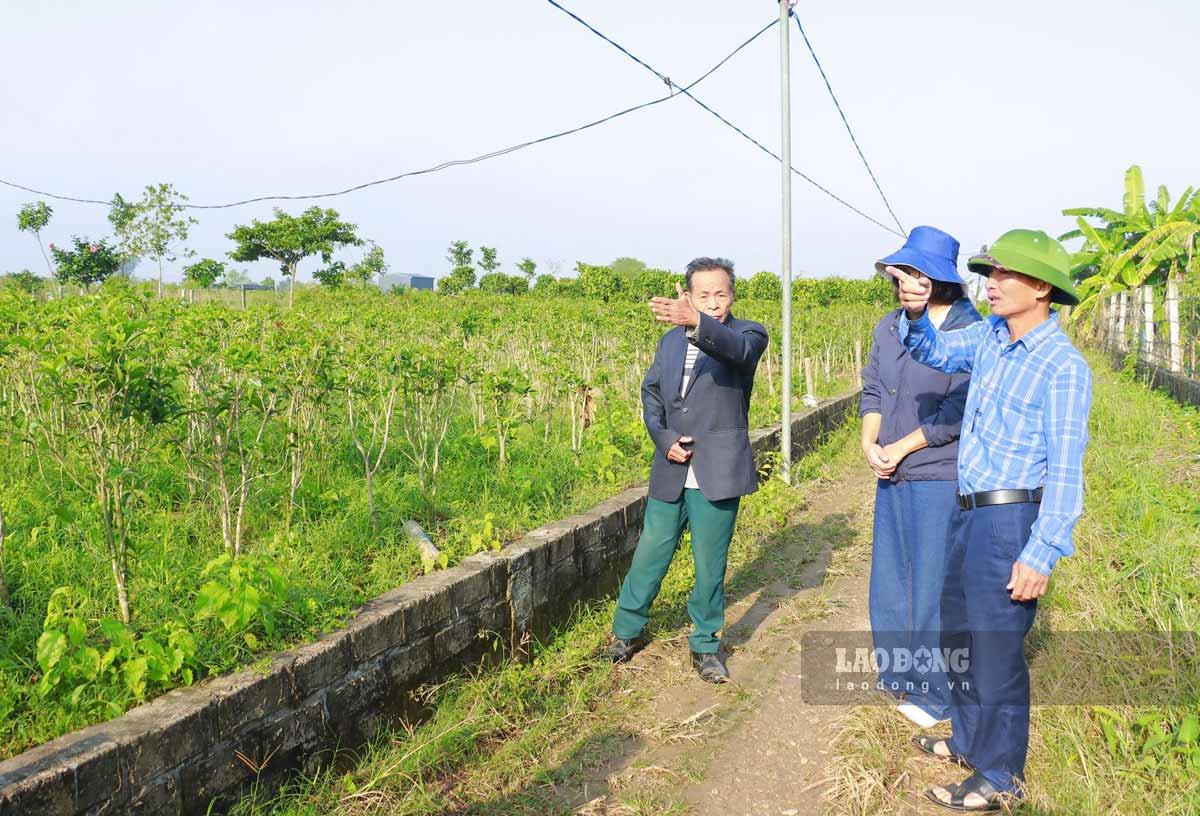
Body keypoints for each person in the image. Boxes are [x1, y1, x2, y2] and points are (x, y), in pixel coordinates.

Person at [888, 229, 1093, 812]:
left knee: (997, 651)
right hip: (967, 511)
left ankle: (1002, 778)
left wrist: (1041, 551)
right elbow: (933, 352)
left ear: (1042, 288)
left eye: (1005, 275)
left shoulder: (1063, 366)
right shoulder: (991, 339)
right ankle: (969, 740)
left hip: (1012, 519)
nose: (991, 284)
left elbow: (1067, 471)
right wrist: (917, 310)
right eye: (990, 273)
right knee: (959, 636)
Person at [607, 257, 768, 683]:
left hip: (718, 466)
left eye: (721, 294)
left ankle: (706, 646)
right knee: (650, 551)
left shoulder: (747, 334)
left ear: (732, 296)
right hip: (673, 464)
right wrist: (664, 440)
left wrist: (697, 321)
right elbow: (652, 394)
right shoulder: (669, 342)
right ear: (688, 294)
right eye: (703, 295)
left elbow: (737, 353)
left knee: (709, 563)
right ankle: (626, 631)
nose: (714, 303)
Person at [861, 226, 981, 728]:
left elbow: (959, 410)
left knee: (932, 582)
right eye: (903, 272)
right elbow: (873, 388)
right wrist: (870, 442)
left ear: (942, 279)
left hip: (937, 473)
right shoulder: (889, 326)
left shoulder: (970, 330)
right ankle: (896, 676)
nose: (907, 281)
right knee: (890, 575)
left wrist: (903, 446)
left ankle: (934, 694)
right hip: (890, 471)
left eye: (918, 272)